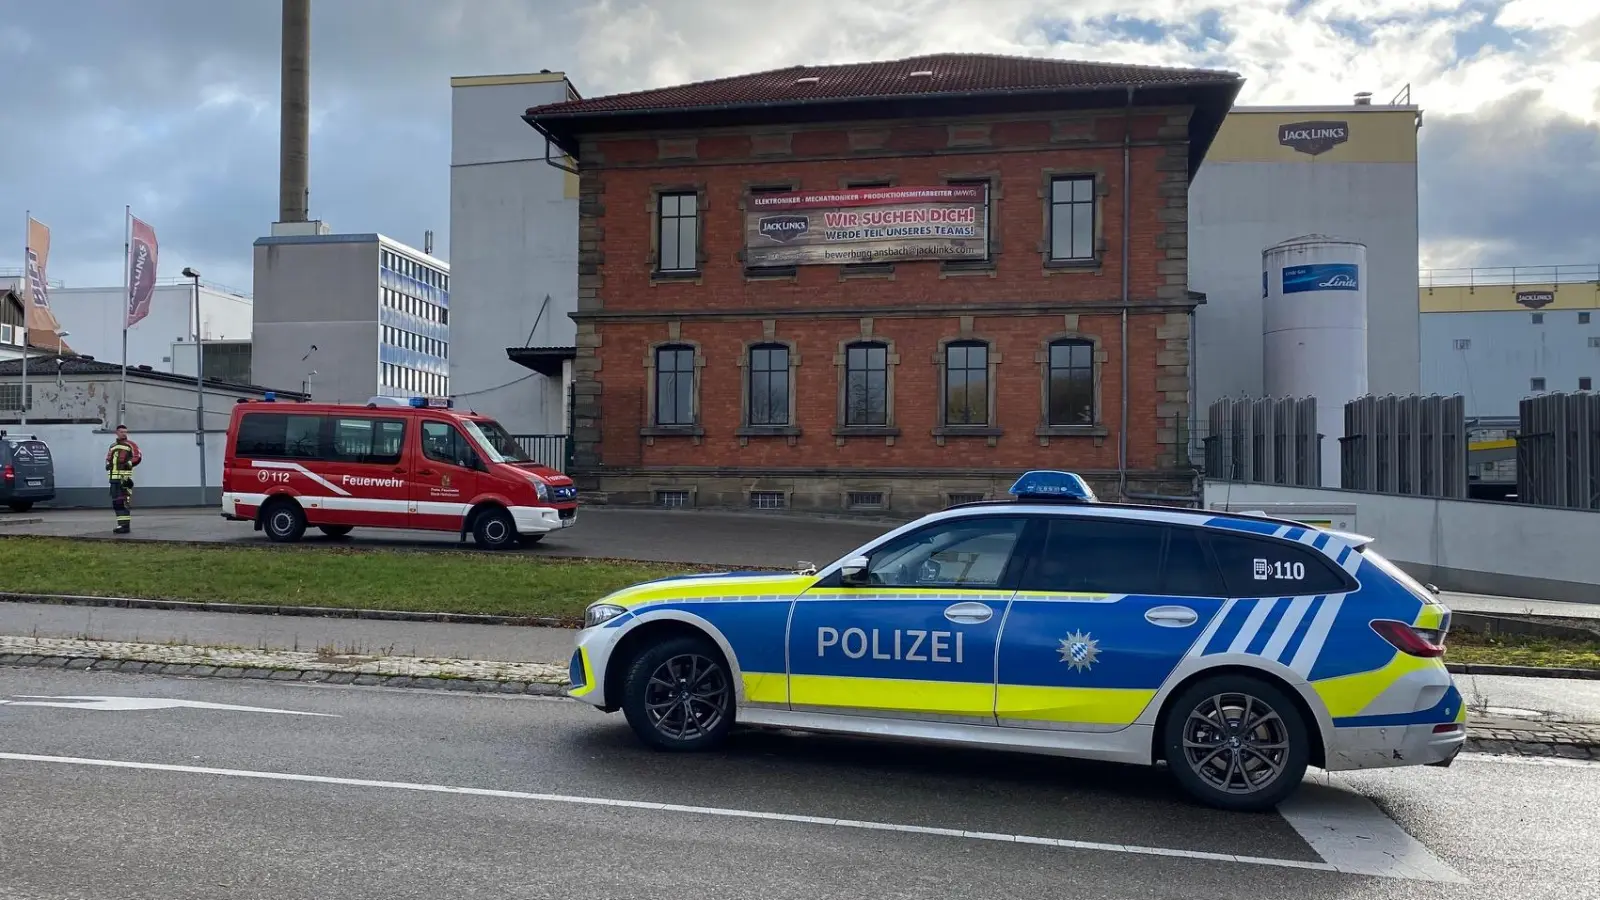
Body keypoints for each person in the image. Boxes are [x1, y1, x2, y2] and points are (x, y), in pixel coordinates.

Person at [105, 424, 142, 534]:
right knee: (116, 503)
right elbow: (108, 457)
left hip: (124, 479)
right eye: (121, 432)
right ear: (117, 433)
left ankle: (125, 526)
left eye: (125, 432)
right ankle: (121, 525)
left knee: (123, 502)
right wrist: (108, 464)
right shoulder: (113, 446)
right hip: (114, 479)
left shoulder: (130, 445)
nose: (124, 434)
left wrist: (129, 463)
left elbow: (138, 456)